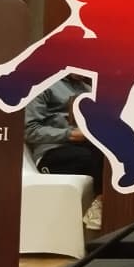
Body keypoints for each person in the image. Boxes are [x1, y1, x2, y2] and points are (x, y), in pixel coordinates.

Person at [24, 73, 105, 230]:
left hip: (87, 147)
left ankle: (106, 205)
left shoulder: (87, 89)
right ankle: (101, 207)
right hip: (53, 152)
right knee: (89, 157)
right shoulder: (43, 84)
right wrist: (71, 134)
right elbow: (29, 130)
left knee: (117, 155)